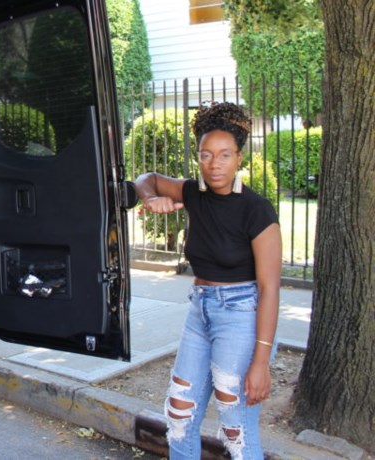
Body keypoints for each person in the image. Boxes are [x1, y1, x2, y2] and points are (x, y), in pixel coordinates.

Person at [133, 101, 282, 459]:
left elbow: (270, 288)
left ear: (240, 158)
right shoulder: (192, 194)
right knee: (179, 415)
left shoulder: (256, 209)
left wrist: (260, 364)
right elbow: (146, 179)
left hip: (242, 314)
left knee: (236, 429)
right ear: (198, 156)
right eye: (206, 154)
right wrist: (152, 198)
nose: (215, 164)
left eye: (225, 155)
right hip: (199, 311)